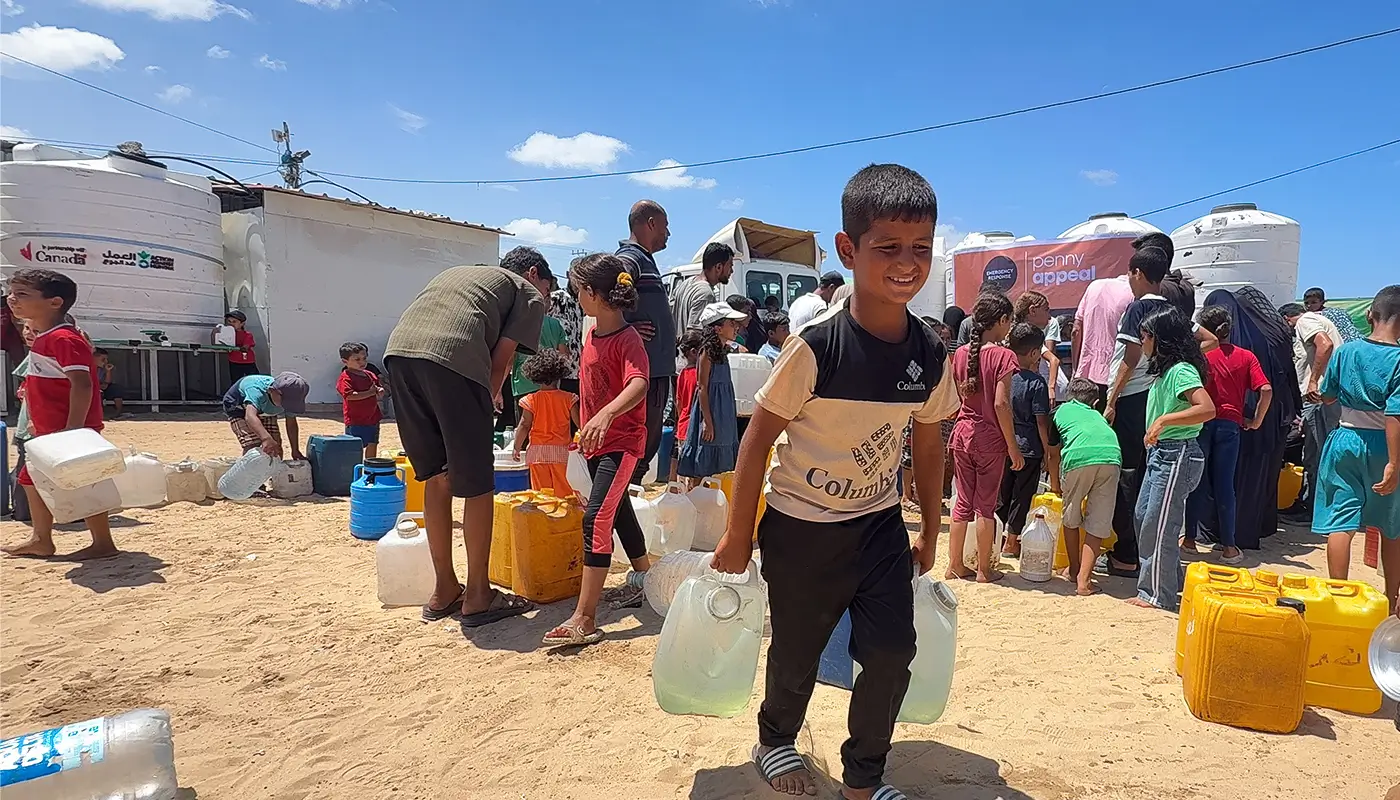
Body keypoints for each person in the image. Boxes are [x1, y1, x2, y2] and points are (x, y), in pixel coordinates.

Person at [710, 163, 957, 800]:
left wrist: (929, 528)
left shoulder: (930, 353)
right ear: (848, 250)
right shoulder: (816, 348)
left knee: (890, 653)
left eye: (921, 249)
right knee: (796, 654)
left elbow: (928, 444)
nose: (908, 263)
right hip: (801, 531)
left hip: (878, 530)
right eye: (889, 247)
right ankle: (774, 740)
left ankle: (863, 780)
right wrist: (740, 533)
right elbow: (757, 439)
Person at [384, 245, 551, 625]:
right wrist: (488, 401)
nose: (546, 297)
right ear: (534, 273)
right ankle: (478, 594)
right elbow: (502, 359)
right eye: (548, 287)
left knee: (436, 476)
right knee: (478, 485)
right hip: (454, 363)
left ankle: (444, 589)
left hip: (399, 357)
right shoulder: (527, 292)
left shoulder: (466, 275)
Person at [541, 253, 652, 646]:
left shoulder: (628, 339)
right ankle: (645, 581)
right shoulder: (591, 335)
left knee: (595, 521)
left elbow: (639, 383)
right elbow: (590, 388)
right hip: (594, 445)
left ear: (592, 293)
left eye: (577, 288)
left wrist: (605, 415)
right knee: (617, 511)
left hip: (622, 444)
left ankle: (584, 618)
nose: (574, 295)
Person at [1101, 245, 1217, 578]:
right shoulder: (1176, 312)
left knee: (1127, 474)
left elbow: (1129, 358)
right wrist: (1174, 360)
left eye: (1130, 273)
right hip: (1157, 397)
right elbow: (1208, 340)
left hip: (1134, 398)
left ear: (1137, 273)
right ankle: (1145, 553)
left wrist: (1112, 399)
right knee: (1148, 477)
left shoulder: (1138, 310)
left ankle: (1127, 553)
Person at [1, 269, 117, 560]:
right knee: (29, 480)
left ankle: (103, 543)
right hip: (47, 432)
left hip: (67, 432)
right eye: (11, 292)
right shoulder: (44, 338)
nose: (11, 299)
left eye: (22, 294)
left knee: (85, 482)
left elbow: (82, 383)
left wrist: (73, 431)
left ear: (54, 302)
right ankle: (41, 539)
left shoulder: (64, 339)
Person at [1310, 284, 1400, 607]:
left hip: (1345, 438)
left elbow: (1328, 394)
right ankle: (1392, 603)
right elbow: (1395, 414)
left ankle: (1338, 597)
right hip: (1386, 447)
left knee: (1341, 522)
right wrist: (1393, 462)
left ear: (1369, 315)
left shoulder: (1346, 352)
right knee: (1392, 527)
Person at [1202, 287, 1302, 550]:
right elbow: (1275, 383)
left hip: (1226, 419)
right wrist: (1259, 419)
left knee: (1223, 479)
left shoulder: (1213, 349)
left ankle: (1215, 533)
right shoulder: (1270, 334)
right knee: (1257, 479)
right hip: (1268, 420)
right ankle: (1253, 529)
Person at [1130, 307, 1215, 611]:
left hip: (1177, 453)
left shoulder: (1181, 370)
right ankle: (1167, 581)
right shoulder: (1165, 372)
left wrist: (1165, 420)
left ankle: (1157, 594)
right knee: (1145, 517)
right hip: (1162, 453)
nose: (1142, 341)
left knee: (1160, 523)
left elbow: (1207, 408)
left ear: (1160, 338)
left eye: (1145, 335)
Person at [1184, 306, 1272, 565]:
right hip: (1231, 425)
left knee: (1196, 483)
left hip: (1201, 423)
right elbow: (1265, 389)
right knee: (1225, 486)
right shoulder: (1246, 357)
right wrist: (1255, 421)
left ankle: (1189, 539)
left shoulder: (1200, 356)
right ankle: (1229, 547)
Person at [948, 292, 1019, 583]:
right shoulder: (1005, 356)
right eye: (1009, 321)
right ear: (1001, 320)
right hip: (990, 440)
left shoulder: (962, 353)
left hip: (962, 434)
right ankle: (983, 571)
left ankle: (954, 566)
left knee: (962, 502)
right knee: (985, 507)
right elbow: (1002, 404)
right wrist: (1014, 448)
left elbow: (957, 394)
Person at [616, 200, 675, 486]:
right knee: (643, 437)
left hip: (654, 368)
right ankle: (625, 497)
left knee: (648, 437)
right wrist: (626, 328)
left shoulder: (644, 259)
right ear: (650, 223)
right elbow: (612, 291)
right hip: (645, 371)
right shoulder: (630, 258)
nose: (668, 234)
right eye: (665, 227)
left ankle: (629, 493)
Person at [1054, 379, 1122, 596]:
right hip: (1111, 455)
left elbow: (1053, 451)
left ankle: (1074, 570)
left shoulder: (1060, 410)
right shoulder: (1097, 416)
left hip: (1079, 458)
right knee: (1097, 521)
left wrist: (1056, 484)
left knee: (1071, 516)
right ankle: (1084, 582)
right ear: (1095, 403)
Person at [1280, 301, 1344, 523]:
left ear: (1288, 319)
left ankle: (1315, 509)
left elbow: (1324, 345)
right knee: (1316, 452)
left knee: (1318, 452)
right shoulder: (1320, 320)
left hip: (1318, 397)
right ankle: (1311, 502)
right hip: (1327, 396)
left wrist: (1313, 381)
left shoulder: (1305, 321)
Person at [997, 322, 1057, 557]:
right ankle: (1012, 542)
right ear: (1034, 353)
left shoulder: (1005, 377)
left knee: (1003, 494)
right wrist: (1047, 451)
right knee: (1022, 496)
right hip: (1029, 448)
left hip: (1005, 443)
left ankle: (997, 538)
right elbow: (1041, 421)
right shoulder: (1036, 382)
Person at [678, 303, 745, 480]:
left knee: (723, 456)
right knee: (705, 454)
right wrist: (707, 421)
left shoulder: (724, 351)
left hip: (724, 411)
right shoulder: (706, 352)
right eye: (731, 323)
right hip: (711, 411)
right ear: (718, 328)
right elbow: (702, 387)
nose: (736, 327)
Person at [512, 349, 579, 497]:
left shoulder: (530, 400)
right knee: (565, 493)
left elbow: (524, 425)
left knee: (541, 495)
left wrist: (516, 446)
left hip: (538, 454)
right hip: (562, 453)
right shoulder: (569, 398)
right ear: (560, 375)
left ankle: (544, 519)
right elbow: (580, 423)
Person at [1073, 275, 1134, 408]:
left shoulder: (1094, 286)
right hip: (1117, 376)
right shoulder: (1133, 292)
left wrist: (1075, 368)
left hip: (1086, 374)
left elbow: (1076, 330)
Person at [222, 371, 308, 459]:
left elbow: (291, 424)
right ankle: (249, 470)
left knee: (275, 447)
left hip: (266, 410)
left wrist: (295, 450)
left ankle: (274, 471)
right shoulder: (256, 391)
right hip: (239, 408)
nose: (287, 406)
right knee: (253, 446)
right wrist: (265, 438)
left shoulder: (289, 397)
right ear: (271, 391)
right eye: (285, 402)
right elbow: (250, 416)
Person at [671, 242, 734, 334]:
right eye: (730, 266)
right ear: (718, 267)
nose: (732, 271)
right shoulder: (705, 294)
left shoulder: (685, 284)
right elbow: (695, 334)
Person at [337, 342, 385, 459]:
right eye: (357, 359)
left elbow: (376, 388)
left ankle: (370, 468)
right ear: (345, 361)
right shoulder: (346, 377)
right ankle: (355, 470)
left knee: (372, 444)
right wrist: (370, 393)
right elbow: (349, 396)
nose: (362, 362)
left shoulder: (369, 374)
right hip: (355, 420)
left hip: (373, 417)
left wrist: (379, 391)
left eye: (364, 358)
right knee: (354, 448)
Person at [672, 328, 704, 482]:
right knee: (694, 473)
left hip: (682, 426)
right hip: (693, 428)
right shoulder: (698, 377)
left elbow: (678, 402)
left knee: (683, 472)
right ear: (693, 352)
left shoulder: (682, 374)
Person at [551, 279, 585, 395]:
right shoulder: (557, 298)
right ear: (568, 276)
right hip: (558, 371)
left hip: (576, 370)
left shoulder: (582, 302)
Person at [218, 310, 258, 387]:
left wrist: (241, 348)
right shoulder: (226, 334)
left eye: (234, 322)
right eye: (229, 321)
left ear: (242, 324)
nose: (231, 324)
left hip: (247, 361)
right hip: (234, 361)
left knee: (253, 379)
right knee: (235, 381)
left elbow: (246, 346)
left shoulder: (247, 334)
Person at [92, 347, 123, 416]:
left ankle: (117, 412)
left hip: (100, 386)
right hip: (91, 388)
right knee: (98, 392)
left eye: (106, 359)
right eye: (103, 359)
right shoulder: (86, 368)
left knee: (116, 388)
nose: (106, 362)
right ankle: (97, 414)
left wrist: (108, 371)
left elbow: (107, 382)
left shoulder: (101, 369)